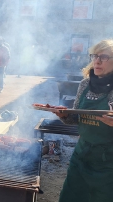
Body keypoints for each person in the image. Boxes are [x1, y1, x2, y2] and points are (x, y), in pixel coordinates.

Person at [55, 39, 113, 202]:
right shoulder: (85, 83)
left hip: (108, 162)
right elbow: (75, 118)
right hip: (81, 156)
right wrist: (64, 115)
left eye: (104, 57)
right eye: (94, 56)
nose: (97, 60)